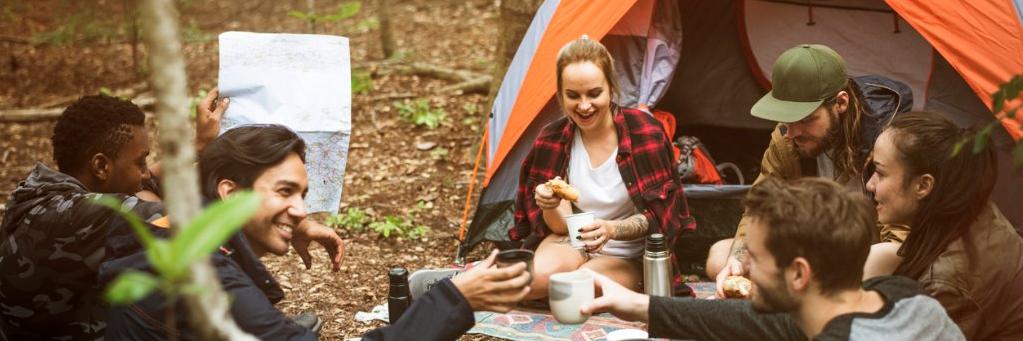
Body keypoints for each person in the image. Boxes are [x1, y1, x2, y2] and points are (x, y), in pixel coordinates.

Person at [102, 125, 532, 340]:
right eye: (285, 192)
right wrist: (456, 299)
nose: (302, 209)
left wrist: (284, 219)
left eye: (303, 194)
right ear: (230, 193)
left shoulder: (161, 230)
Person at [0, 93, 341, 340]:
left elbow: (152, 178)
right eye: (139, 161)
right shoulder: (83, 215)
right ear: (101, 166)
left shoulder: (44, 191)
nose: (145, 170)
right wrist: (292, 219)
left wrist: (199, 147)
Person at [584, 177, 965, 341]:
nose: (743, 266)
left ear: (799, 273)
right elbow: (773, 325)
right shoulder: (900, 293)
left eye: (755, 257)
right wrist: (638, 304)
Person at [707, 44, 912, 295]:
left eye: (805, 120)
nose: (793, 133)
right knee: (720, 257)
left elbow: (901, 239)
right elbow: (761, 206)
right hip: (817, 247)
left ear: (840, 103)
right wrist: (738, 258)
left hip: (873, 252)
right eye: (787, 120)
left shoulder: (888, 142)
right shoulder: (787, 137)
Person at [511, 36, 695, 298]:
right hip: (572, 240)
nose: (584, 106)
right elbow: (561, 227)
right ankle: (459, 286)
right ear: (561, 95)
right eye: (573, 96)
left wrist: (611, 229)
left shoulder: (645, 132)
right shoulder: (552, 139)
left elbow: (666, 214)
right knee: (529, 283)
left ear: (611, 87)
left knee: (571, 290)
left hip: (625, 252)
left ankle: (600, 279)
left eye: (594, 93)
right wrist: (549, 206)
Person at [860, 111, 1023, 339]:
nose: (870, 184)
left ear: (923, 186)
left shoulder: (947, 283)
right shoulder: (969, 209)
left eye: (880, 173)